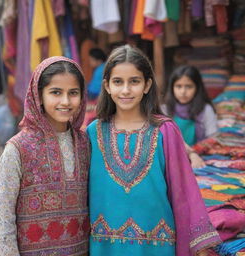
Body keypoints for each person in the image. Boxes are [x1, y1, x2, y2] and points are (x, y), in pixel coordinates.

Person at [86, 45, 221, 256]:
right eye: (118, 82)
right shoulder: (93, 132)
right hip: (104, 247)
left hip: (157, 246)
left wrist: (199, 246)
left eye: (135, 81)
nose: (126, 90)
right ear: (107, 86)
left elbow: (183, 191)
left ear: (147, 85)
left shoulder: (165, 130)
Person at [0, 56, 90, 256]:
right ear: (39, 96)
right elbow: (4, 214)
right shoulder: (18, 148)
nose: (65, 101)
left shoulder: (85, 143)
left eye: (73, 93)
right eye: (56, 92)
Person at [163, 65, 218, 168]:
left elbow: (213, 139)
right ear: (172, 88)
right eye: (178, 86)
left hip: (200, 156)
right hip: (170, 156)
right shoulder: (164, 110)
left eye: (189, 86)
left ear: (197, 88)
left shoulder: (206, 110)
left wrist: (194, 152)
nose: (183, 92)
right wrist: (190, 154)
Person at [83, 48, 107, 127]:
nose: (90, 62)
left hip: (96, 96)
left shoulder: (101, 69)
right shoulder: (102, 67)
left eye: (91, 60)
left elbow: (94, 89)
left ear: (98, 60)